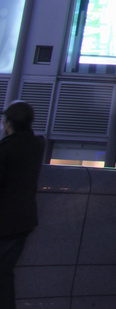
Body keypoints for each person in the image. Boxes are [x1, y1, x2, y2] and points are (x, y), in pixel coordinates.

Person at [0, 102, 43, 309]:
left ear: (7, 123)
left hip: (4, 222)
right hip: (24, 219)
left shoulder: (6, 149)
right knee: (4, 273)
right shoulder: (36, 145)